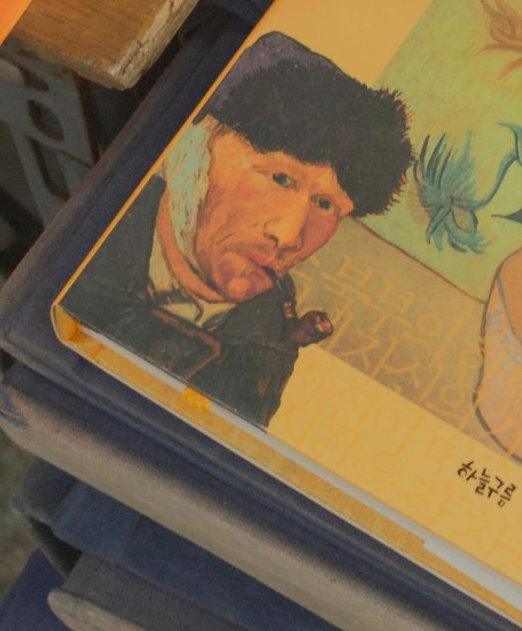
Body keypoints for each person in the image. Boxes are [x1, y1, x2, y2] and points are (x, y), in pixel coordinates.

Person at [65, 31, 412, 428]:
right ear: (197, 145)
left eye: (325, 205)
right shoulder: (97, 229)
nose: (289, 236)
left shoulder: (271, 342)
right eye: (280, 178)